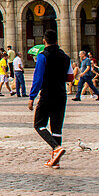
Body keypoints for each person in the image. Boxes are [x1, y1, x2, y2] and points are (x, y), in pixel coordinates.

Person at [27, 29, 71, 168]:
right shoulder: (66, 57)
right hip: (61, 94)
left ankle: (56, 148)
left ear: (44, 41)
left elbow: (38, 78)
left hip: (47, 94)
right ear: (57, 41)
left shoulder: (42, 56)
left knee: (39, 124)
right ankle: (55, 160)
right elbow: (70, 77)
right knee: (57, 128)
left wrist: (32, 97)